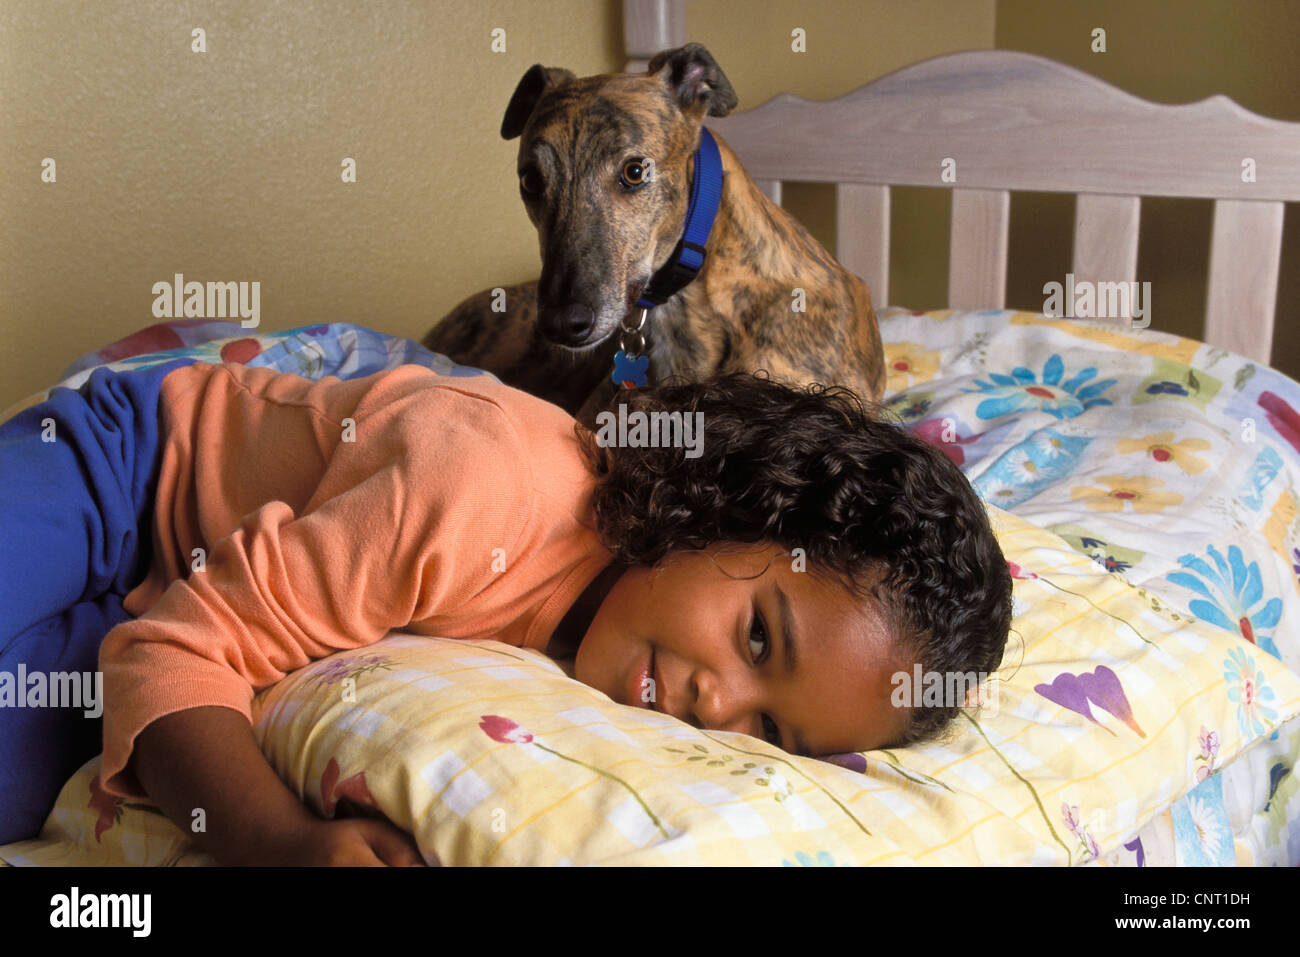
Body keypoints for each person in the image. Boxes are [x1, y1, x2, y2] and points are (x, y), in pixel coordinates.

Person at [0, 356, 1011, 863]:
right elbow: (176, 648)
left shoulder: (615, 655)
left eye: (769, 727)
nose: (715, 703)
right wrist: (281, 843)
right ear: (730, 507)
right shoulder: (482, 488)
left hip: (176, 582)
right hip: (124, 472)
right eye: (757, 637)